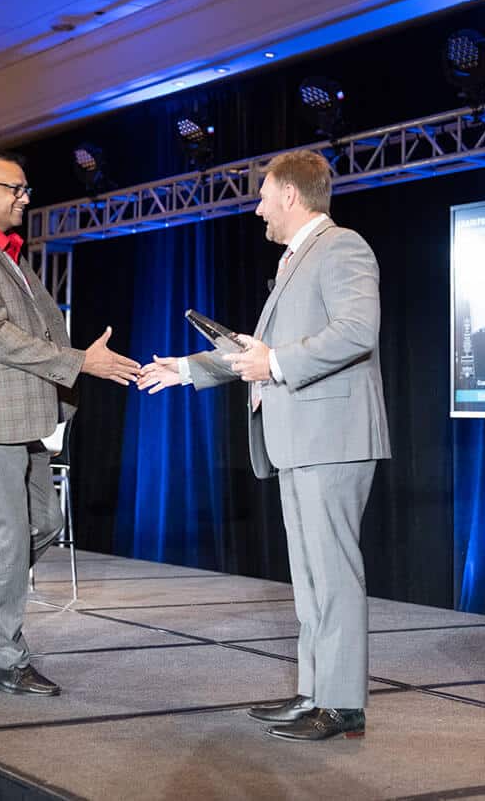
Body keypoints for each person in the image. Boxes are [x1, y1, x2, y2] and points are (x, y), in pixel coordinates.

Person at [138, 149, 390, 741]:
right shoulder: (295, 262)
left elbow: (356, 332)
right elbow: (263, 353)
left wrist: (274, 360)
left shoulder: (343, 247)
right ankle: (315, 693)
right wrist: (189, 368)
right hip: (299, 439)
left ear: (291, 197)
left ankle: (344, 703)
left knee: (332, 574)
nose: (257, 210)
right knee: (308, 577)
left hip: (332, 436)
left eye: (262, 196)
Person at [0, 151, 139, 696]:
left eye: (25, 188)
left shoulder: (9, 253)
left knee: (44, 525)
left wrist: (83, 358)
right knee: (13, 536)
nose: (24, 196)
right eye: (14, 188)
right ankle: (7, 659)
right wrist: (80, 362)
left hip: (22, 415)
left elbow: (40, 327)